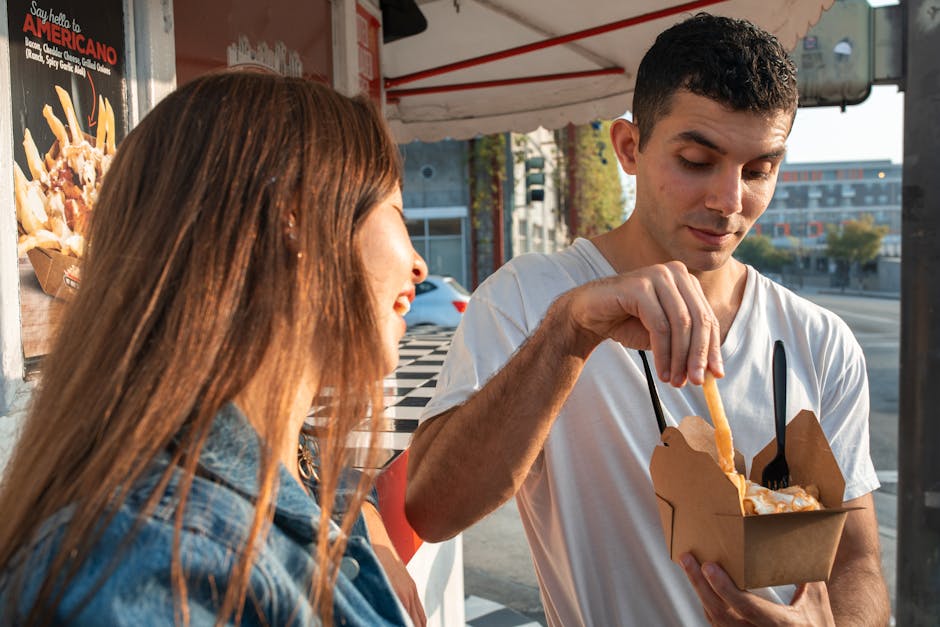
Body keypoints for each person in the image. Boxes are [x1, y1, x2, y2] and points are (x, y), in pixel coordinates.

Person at [406, 13, 890, 627]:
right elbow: (432, 509)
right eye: (695, 160)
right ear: (630, 149)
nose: (728, 201)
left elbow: (857, 563)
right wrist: (571, 332)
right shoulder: (528, 299)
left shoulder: (819, 341)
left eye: (759, 170)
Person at [0, 71, 429, 626]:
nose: (418, 264)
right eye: (395, 211)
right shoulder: (160, 574)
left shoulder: (212, 519)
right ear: (295, 219)